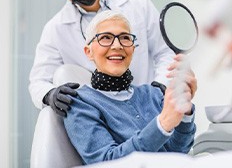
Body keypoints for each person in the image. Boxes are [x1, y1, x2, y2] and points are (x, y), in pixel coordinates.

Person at [29, 0, 176, 116]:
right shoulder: (56, 29)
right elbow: (38, 81)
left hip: (151, 108)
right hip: (104, 118)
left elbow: (165, 53)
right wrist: (49, 94)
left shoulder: (138, 3)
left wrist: (159, 88)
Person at [64, 10, 197, 165]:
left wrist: (185, 112)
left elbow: (178, 151)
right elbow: (107, 162)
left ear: (133, 49)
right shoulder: (80, 104)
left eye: (125, 38)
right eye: (106, 38)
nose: (117, 45)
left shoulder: (153, 94)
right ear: (89, 52)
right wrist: (162, 124)